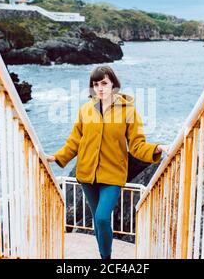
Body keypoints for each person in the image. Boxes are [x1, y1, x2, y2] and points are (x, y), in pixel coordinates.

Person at [46, 65, 170, 259]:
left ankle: (106, 258)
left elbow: (137, 145)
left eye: (104, 83)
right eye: (96, 84)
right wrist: (57, 157)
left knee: (103, 217)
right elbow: (75, 141)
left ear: (113, 84)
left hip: (113, 175)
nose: (100, 88)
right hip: (87, 175)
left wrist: (157, 148)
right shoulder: (85, 110)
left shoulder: (128, 111)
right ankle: (105, 257)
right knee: (97, 220)